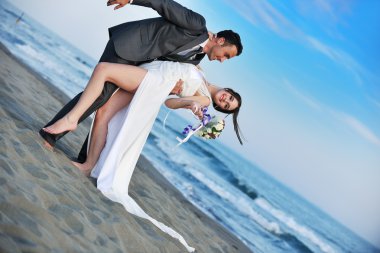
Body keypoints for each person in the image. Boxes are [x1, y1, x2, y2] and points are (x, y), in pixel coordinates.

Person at [42, 60, 242, 252]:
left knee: (104, 77)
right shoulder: (203, 74)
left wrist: (190, 103)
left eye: (226, 107)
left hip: (154, 85)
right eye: (230, 99)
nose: (225, 101)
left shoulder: (204, 99)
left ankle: (87, 163)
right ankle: (89, 164)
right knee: (103, 112)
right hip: (153, 73)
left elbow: (170, 103)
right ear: (230, 91)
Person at [39, 0, 243, 165]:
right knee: (101, 95)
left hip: (140, 66)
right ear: (221, 41)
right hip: (130, 44)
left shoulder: (196, 59)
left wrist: (174, 87)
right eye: (226, 55)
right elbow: (164, 4)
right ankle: (51, 136)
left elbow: (168, 67)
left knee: (107, 107)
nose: (223, 60)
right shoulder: (197, 24)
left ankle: (85, 158)